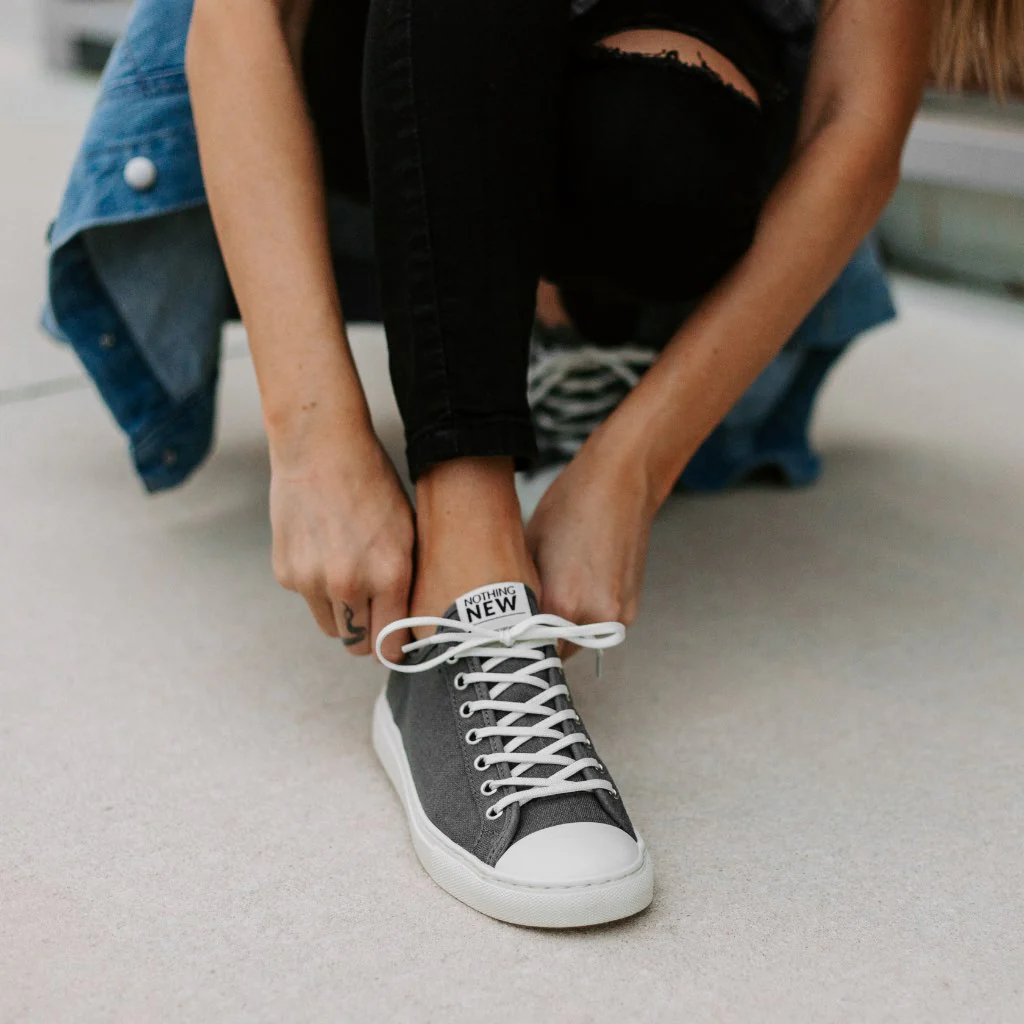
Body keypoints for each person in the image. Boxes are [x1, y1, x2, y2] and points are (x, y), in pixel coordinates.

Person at [45, 0, 1021, 926]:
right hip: (376, 78)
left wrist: (627, 471)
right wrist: (314, 439)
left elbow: (855, 126)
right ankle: (467, 600)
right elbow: (243, 16)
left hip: (617, 102)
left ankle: (552, 336)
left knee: (662, 147)